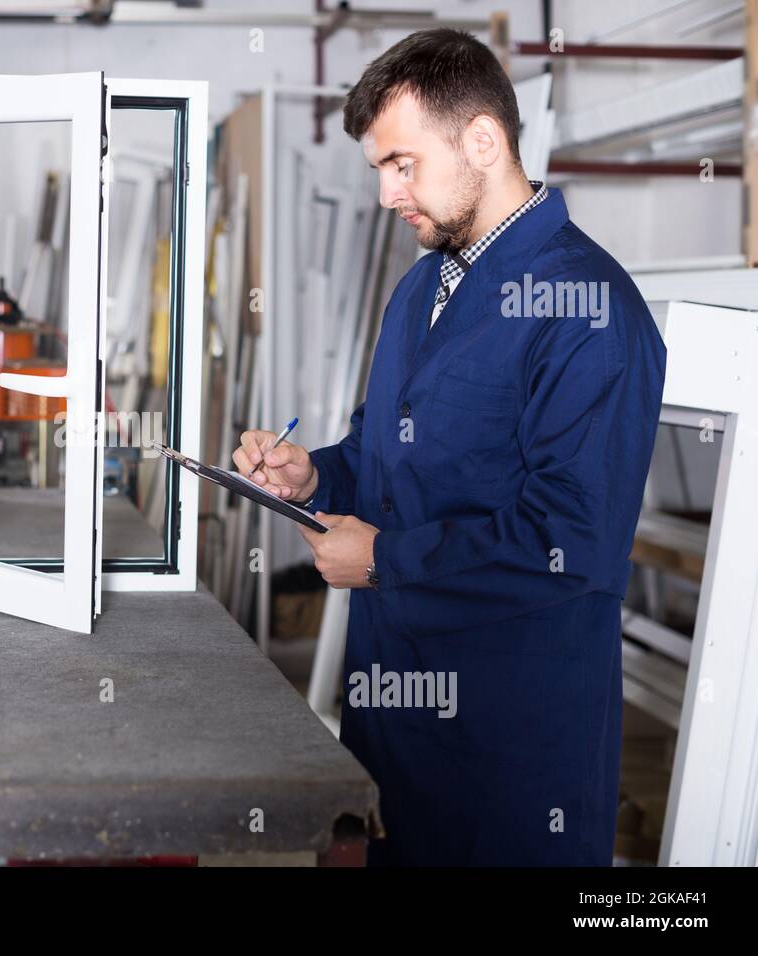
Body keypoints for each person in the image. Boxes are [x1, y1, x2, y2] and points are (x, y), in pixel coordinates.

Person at [233, 29, 666, 865]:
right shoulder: (420, 289)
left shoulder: (591, 311)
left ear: (482, 140)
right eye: (379, 173)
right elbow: (381, 455)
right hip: (391, 720)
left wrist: (386, 560)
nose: (389, 194)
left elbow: (572, 544)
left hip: (508, 756)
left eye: (404, 164)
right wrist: (316, 472)